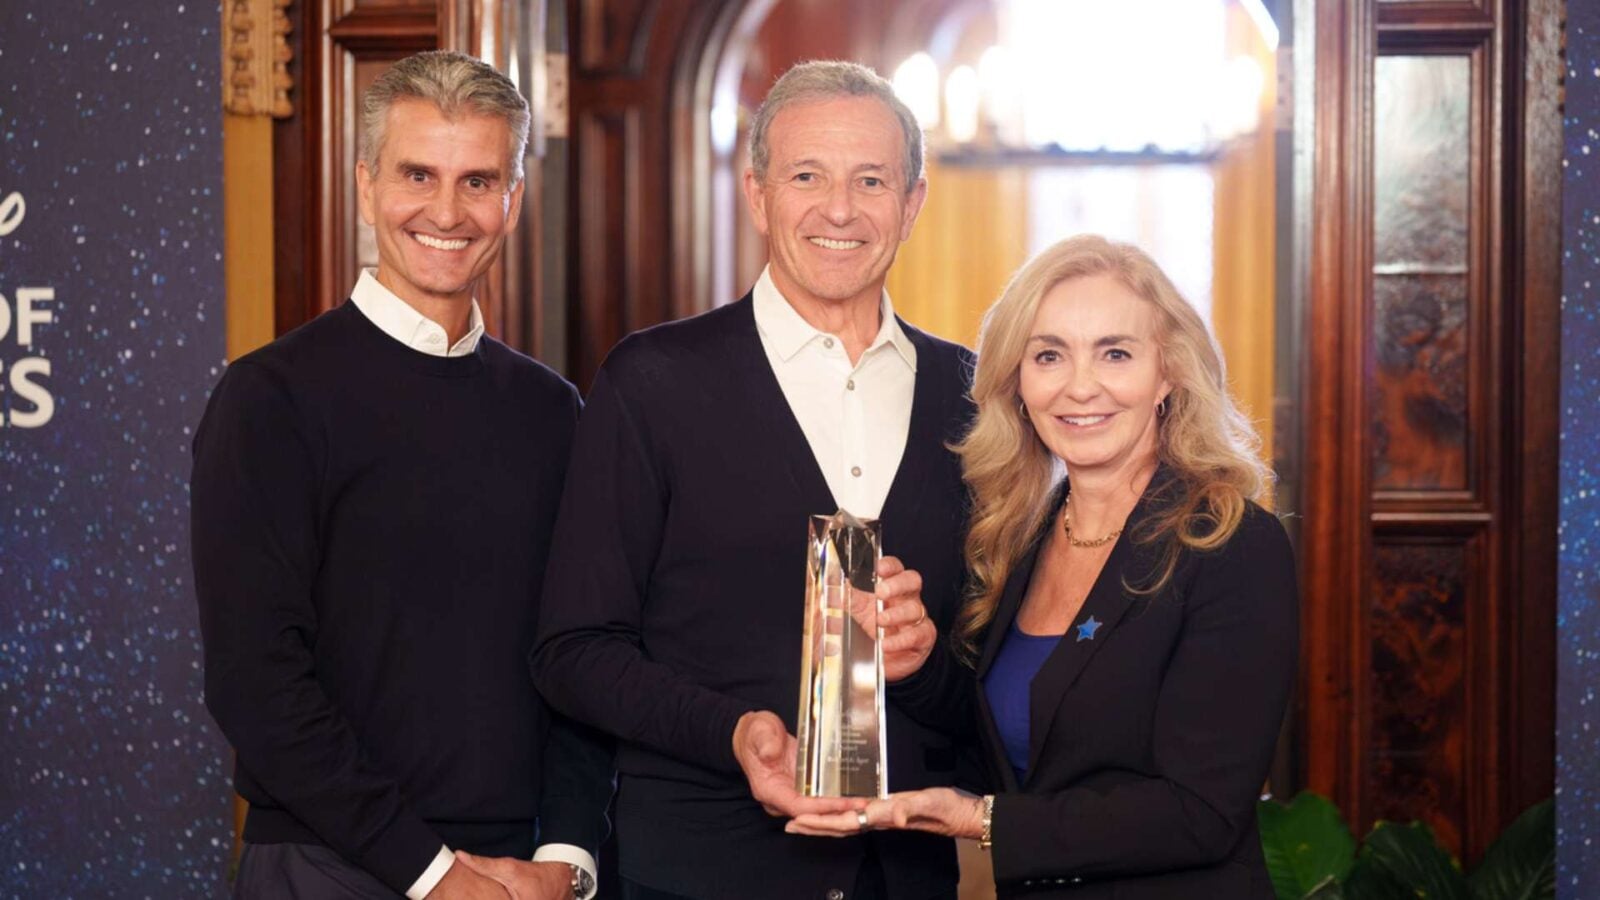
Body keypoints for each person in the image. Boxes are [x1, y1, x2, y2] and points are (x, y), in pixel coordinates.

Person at [530, 61, 969, 900]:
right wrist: (730, 732)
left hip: (907, 878)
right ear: (758, 193)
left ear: (912, 203)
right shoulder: (652, 382)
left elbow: (1004, 694)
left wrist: (931, 666)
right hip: (702, 874)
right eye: (808, 175)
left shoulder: (974, 401)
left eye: (870, 180)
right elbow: (572, 652)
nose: (839, 208)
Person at [191, 51, 611, 900]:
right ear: (365, 185)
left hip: (519, 873)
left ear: (514, 200)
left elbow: (580, 654)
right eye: (418, 174)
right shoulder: (271, 398)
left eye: (479, 180)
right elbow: (256, 683)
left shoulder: (553, 412)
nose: (447, 211)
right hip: (325, 866)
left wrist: (566, 863)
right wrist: (432, 874)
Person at [789, 234, 1299, 899]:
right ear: (1018, 381)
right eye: (1049, 355)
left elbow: (1200, 813)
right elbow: (1015, 742)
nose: (1079, 386)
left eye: (1115, 353)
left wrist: (981, 820)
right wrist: (915, 667)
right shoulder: (1019, 538)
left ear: (1168, 373)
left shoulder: (1231, 543)